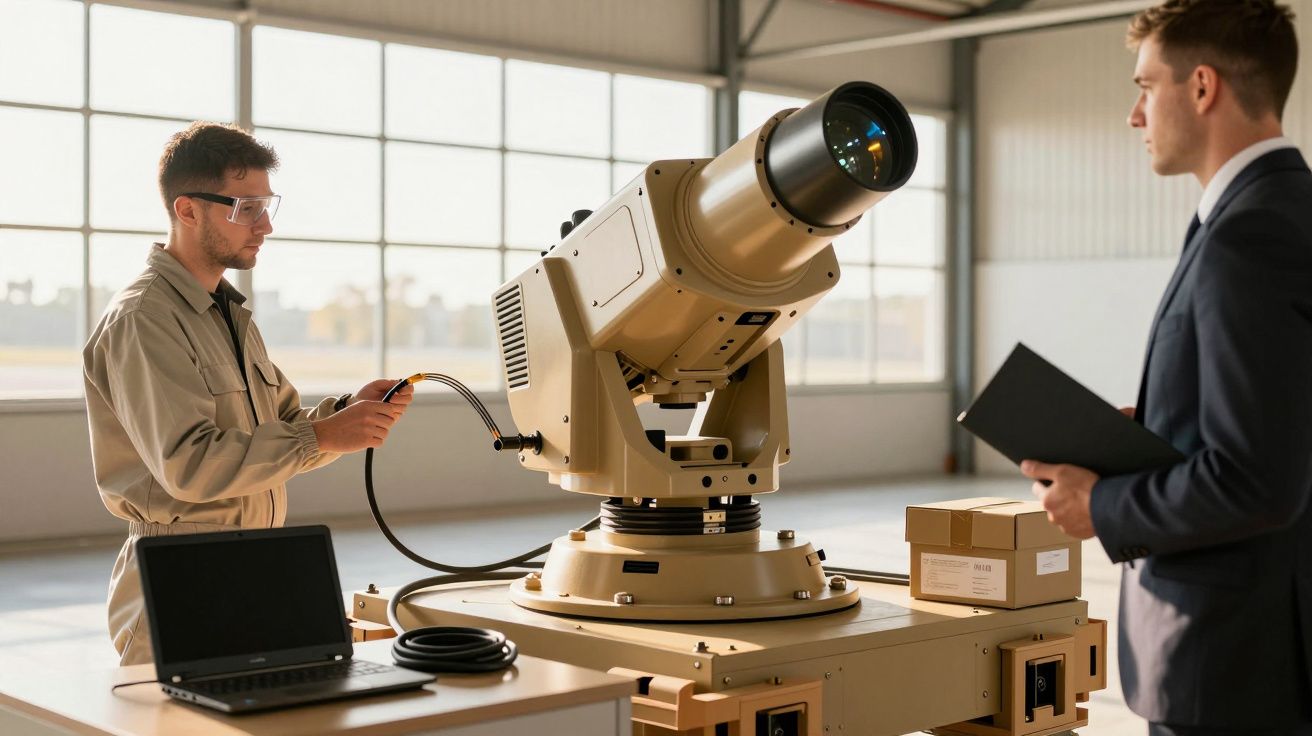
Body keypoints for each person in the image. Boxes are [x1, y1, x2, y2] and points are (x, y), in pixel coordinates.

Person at [1019, 0, 1312, 733]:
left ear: (1203, 88)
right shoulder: (1282, 212)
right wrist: (1154, 431)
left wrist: (1103, 507)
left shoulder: (1246, 239)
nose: (1134, 115)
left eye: (1146, 86)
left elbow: (1259, 480)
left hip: (1232, 665)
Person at [83, 122, 414, 666]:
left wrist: (346, 414)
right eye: (246, 208)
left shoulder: (228, 315)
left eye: (267, 206)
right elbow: (189, 466)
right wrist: (324, 434)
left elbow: (282, 427)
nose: (265, 226)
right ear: (187, 210)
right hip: (179, 581)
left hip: (257, 567)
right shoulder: (144, 319)